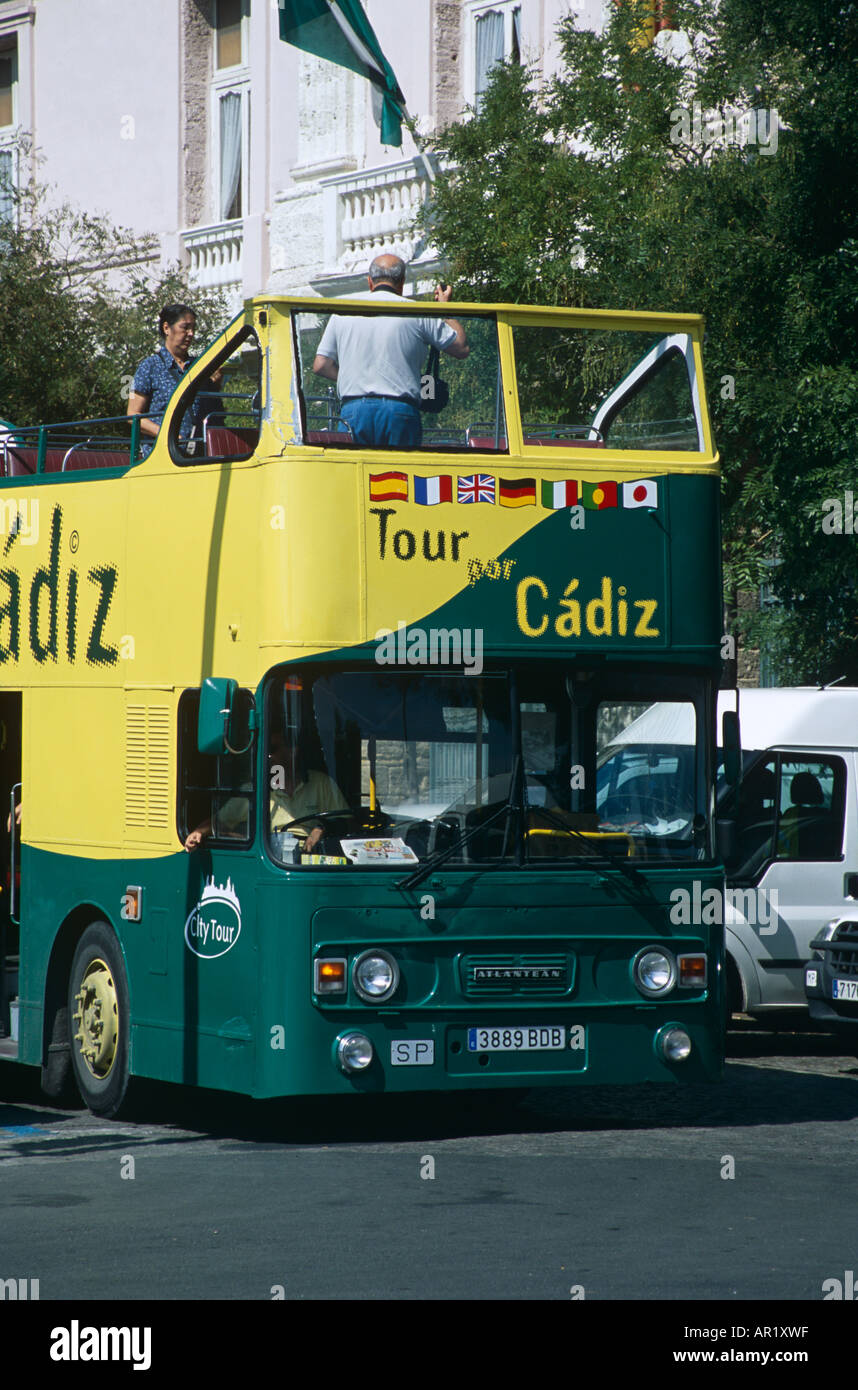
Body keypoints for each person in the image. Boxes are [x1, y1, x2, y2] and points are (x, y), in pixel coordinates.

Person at [312, 253, 469, 448]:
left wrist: (353, 377)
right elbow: (461, 348)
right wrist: (445, 308)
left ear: (370, 282)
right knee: (400, 475)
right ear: (402, 283)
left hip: (354, 411)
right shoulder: (418, 313)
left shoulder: (342, 312)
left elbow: (321, 365)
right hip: (400, 412)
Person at [184, 733, 347, 854]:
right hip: (272, 859)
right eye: (266, 751)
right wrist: (199, 832)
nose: (268, 756)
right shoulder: (255, 789)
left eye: (273, 750)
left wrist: (321, 829)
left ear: (293, 751)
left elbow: (346, 823)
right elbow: (221, 821)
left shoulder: (321, 783)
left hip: (312, 860)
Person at [127, 304, 223, 456]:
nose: (191, 334)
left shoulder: (199, 367)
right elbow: (132, 416)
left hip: (197, 456)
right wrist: (169, 436)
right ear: (166, 328)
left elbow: (214, 413)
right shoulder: (150, 366)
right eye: (185, 327)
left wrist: (215, 385)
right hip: (162, 456)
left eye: (193, 328)